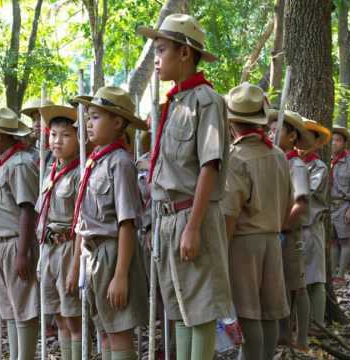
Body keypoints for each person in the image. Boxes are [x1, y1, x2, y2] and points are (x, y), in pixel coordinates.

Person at [138, 13, 233, 359]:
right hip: (166, 219)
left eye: (161, 50)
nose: (156, 59)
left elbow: (210, 166)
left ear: (185, 53)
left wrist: (192, 227)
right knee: (178, 305)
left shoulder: (206, 101)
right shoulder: (172, 105)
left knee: (200, 307)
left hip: (191, 215)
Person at [73, 86, 148, 360]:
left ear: (117, 123)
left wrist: (120, 275)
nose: (88, 124)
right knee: (103, 327)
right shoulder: (95, 162)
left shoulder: (120, 163)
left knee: (118, 331)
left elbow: (127, 223)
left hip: (113, 253)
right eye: (88, 117)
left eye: (95, 117)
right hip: (93, 256)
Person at [221, 83, 291, 360]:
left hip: (243, 244)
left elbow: (230, 213)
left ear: (232, 123)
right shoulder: (279, 156)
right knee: (269, 311)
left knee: (249, 312)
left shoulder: (236, 159)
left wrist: (221, 254)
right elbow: (287, 202)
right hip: (273, 239)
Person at [0, 107, 40, 360]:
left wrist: (22, 252)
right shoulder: (2, 163)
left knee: (23, 305)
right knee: (9, 307)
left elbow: (27, 209)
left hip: (15, 243)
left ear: (1, 136)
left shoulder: (20, 164)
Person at [35, 105, 82, 360]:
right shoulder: (50, 169)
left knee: (73, 319)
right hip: (49, 249)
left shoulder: (79, 174)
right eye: (53, 134)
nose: (57, 141)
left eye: (65, 135)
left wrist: (75, 266)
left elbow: (81, 224)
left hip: (68, 250)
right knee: (59, 317)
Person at [266, 109, 313, 349]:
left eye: (277, 130)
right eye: (269, 129)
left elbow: (301, 202)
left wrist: (282, 225)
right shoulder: (275, 161)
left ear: (292, 136)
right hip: (275, 235)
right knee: (280, 286)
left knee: (297, 286)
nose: (271, 133)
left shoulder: (295, 165)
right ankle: (283, 336)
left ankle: (302, 339)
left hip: (288, 235)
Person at [300, 119, 330, 331]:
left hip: (311, 227)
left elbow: (307, 194)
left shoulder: (318, 167)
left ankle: (318, 326)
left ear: (318, 142)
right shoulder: (290, 161)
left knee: (315, 279)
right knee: (297, 279)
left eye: (310, 136)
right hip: (292, 230)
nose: (304, 140)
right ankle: (299, 325)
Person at [329, 125, 350, 287]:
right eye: (332, 140)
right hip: (328, 205)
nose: (334, 143)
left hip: (344, 204)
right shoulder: (327, 159)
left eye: (338, 140)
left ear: (345, 143)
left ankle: (340, 274)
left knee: (345, 240)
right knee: (331, 240)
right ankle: (332, 273)